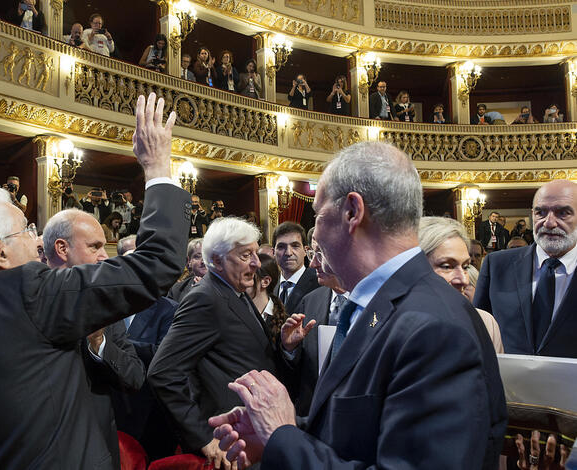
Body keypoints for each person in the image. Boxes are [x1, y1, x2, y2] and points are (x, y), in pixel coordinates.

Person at [0, 93, 191, 468]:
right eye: (26, 229)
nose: (37, 239)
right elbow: (158, 262)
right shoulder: (32, 291)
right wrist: (157, 168)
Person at [209, 141, 506, 470]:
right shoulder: (388, 305)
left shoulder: (434, 327)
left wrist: (283, 435)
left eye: (319, 215)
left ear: (352, 212)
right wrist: (276, 439)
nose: (316, 236)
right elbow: (360, 433)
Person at [148, 217, 283, 469]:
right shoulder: (205, 298)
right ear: (217, 261)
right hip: (230, 442)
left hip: (253, 436)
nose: (256, 263)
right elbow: (162, 372)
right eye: (245, 255)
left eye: (256, 253)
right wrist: (202, 436)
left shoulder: (235, 291)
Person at [44, 209, 145, 470]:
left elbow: (135, 376)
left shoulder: (104, 306)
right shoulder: (28, 303)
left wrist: (98, 342)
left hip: (98, 451)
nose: (104, 256)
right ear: (62, 248)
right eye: (95, 247)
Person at [475, 179, 577, 357]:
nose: (549, 223)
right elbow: (477, 331)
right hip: (507, 383)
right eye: (540, 213)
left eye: (563, 213)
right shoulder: (496, 265)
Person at [112, 234, 180, 461]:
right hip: (110, 410)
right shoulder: (106, 305)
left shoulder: (169, 310)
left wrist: (110, 343)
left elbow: (162, 354)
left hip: (149, 414)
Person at [281, 236, 348, 417]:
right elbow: (298, 372)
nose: (313, 264)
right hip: (312, 414)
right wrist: (290, 348)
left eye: (321, 255)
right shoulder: (311, 300)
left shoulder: (372, 302)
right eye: (312, 254)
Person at [418, 217, 503, 353]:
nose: (463, 279)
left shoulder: (484, 323)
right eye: (446, 266)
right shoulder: (384, 325)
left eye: (465, 266)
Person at [273, 222, 318, 314]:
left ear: (306, 251)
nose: (288, 253)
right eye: (281, 247)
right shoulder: (269, 286)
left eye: (295, 246)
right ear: (273, 252)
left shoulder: (319, 283)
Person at [248, 254, 287, 342]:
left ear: (265, 282)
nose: (241, 281)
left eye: (248, 276)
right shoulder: (235, 311)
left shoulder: (284, 322)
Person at [168, 237, 206, 303]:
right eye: (197, 256)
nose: (203, 261)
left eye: (206, 256)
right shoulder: (177, 289)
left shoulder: (226, 286)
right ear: (189, 261)